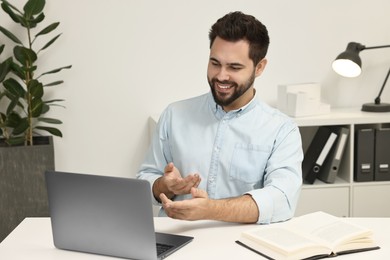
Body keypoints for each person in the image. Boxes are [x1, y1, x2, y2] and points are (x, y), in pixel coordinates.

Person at [137, 11, 303, 224]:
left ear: (259, 67)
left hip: (244, 248)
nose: (221, 76)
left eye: (234, 67)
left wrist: (211, 210)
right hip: (178, 242)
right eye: (215, 63)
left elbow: (282, 199)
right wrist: (164, 185)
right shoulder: (174, 115)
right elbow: (145, 178)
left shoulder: (281, 129)